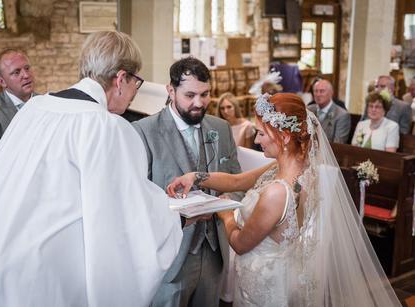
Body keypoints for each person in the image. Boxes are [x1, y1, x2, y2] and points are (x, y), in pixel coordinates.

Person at [0, 31, 183, 307]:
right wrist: (177, 218)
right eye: (137, 83)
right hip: (44, 279)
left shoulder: (35, 108)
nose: (135, 93)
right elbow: (128, 218)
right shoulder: (105, 127)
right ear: (121, 79)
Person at [167, 93, 401, 306]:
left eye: (261, 133)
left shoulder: (278, 192)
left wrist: (226, 215)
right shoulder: (301, 168)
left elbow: (239, 243)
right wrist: (195, 177)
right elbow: (238, 182)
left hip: (264, 285)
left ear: (285, 135)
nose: (257, 140)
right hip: (283, 272)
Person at [132, 57, 242, 307]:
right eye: (190, 94)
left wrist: (226, 202)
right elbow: (138, 198)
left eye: (205, 95)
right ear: (170, 90)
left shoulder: (221, 128)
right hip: (171, 257)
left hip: (214, 253)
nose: (199, 103)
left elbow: (238, 183)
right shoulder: (144, 131)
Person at [0, 49, 37, 161]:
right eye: (16, 72)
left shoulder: (47, 103)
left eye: (27, 68)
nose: (26, 75)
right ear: (2, 82)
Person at [308, 79, 350, 143]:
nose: (318, 94)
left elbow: (338, 144)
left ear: (331, 93)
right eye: (316, 91)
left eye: (322, 91)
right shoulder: (309, 109)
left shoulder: (342, 115)